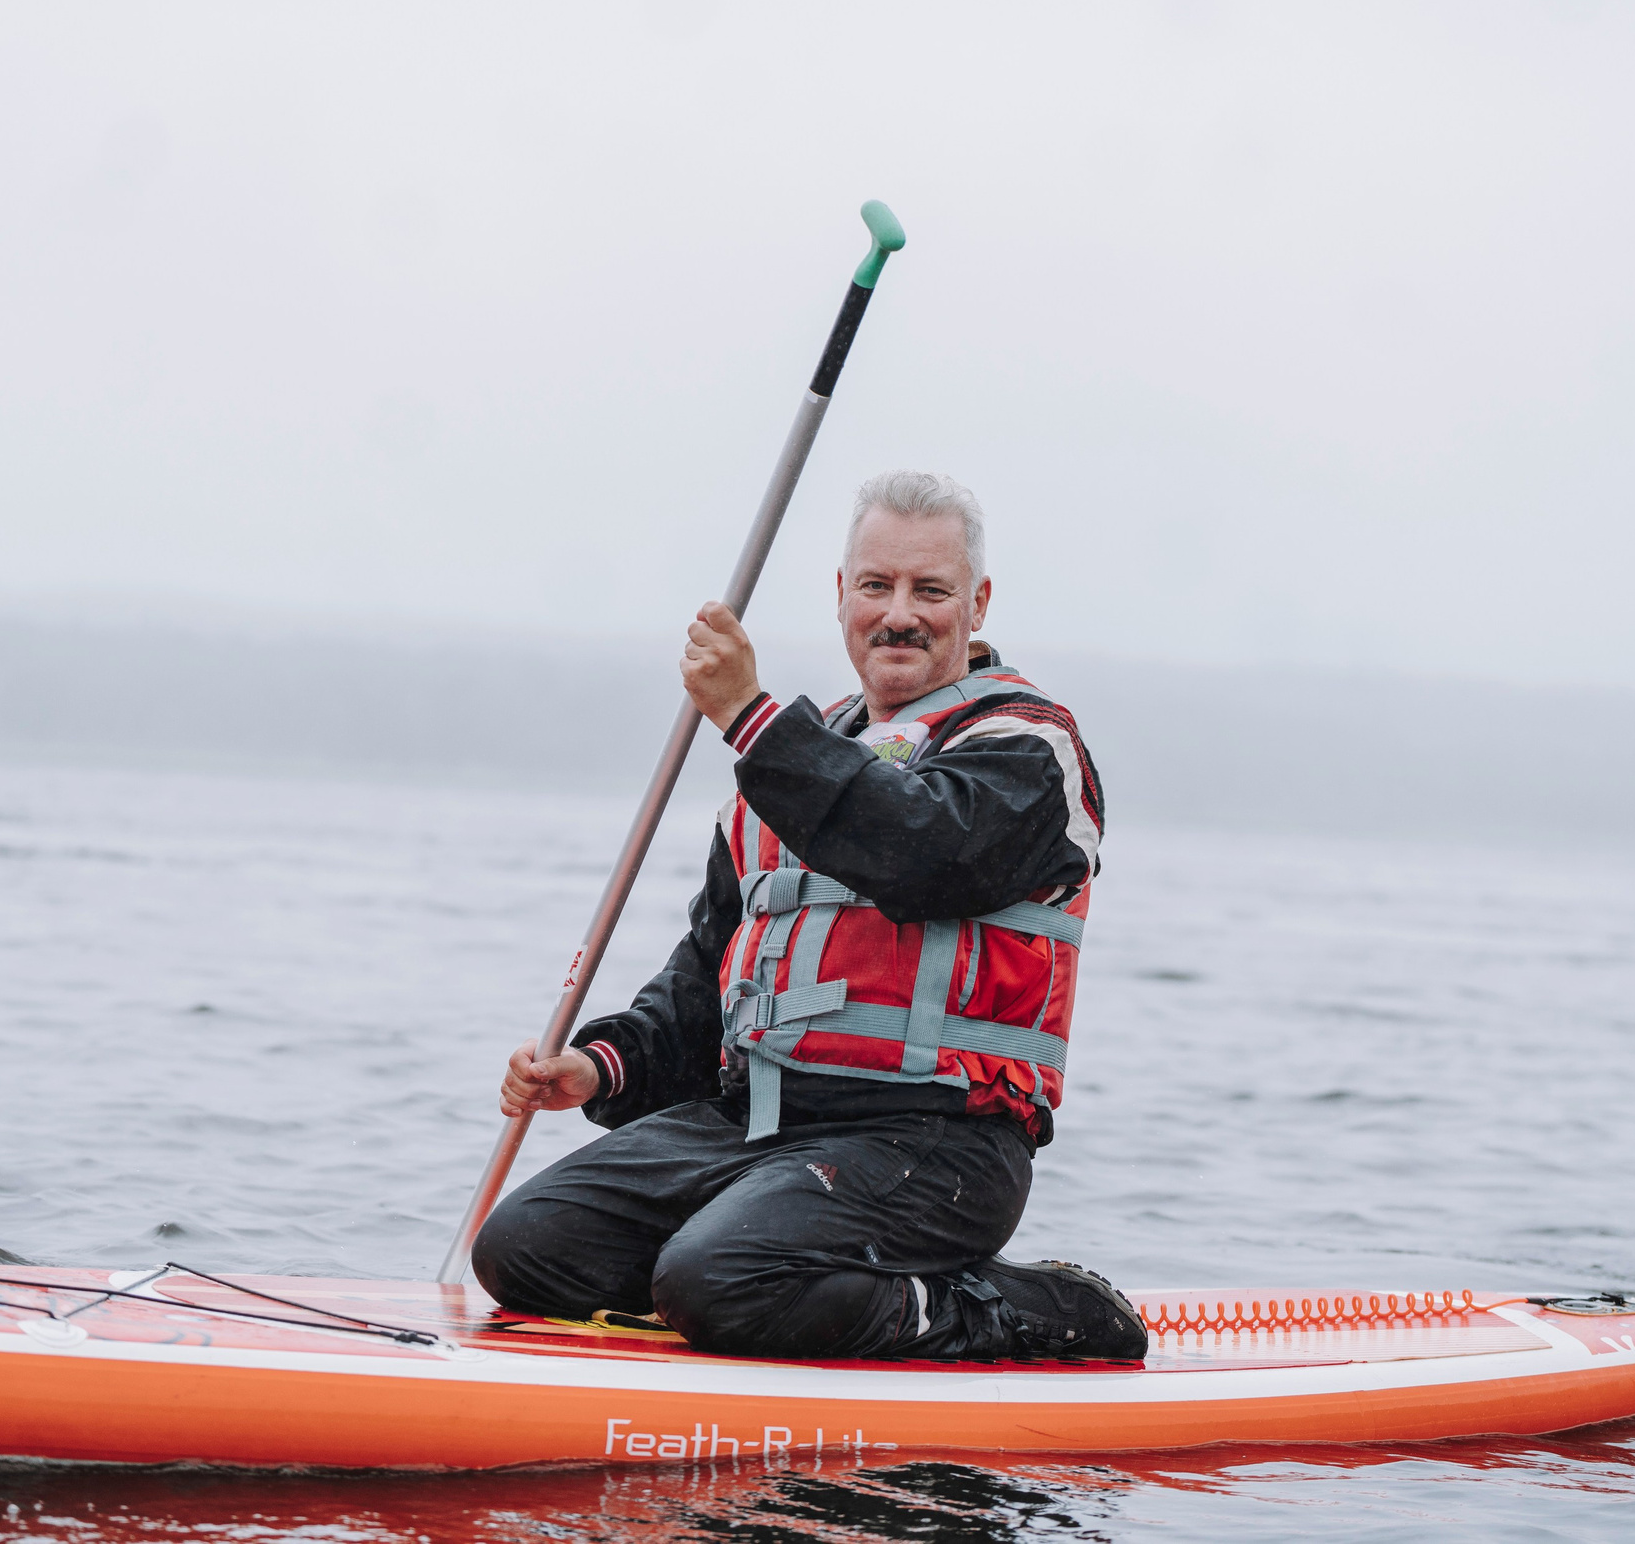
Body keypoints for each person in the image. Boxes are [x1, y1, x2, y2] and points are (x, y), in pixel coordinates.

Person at [470, 470, 1143, 1362]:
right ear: (841, 595)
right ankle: (757, 1288)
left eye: (930, 591)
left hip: (935, 1142)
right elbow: (708, 973)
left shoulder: (1028, 747)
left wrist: (749, 719)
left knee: (714, 1277)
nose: (899, 614)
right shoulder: (794, 761)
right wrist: (603, 1066)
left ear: (977, 604)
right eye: (877, 585)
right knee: (522, 1250)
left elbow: (919, 849)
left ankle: (1002, 1308)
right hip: (760, 1122)